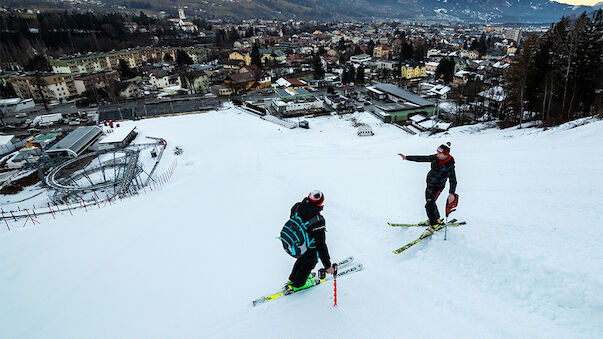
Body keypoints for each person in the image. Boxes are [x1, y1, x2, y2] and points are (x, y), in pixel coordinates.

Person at [398, 142, 457, 228]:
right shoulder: (435, 158)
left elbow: (453, 180)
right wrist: (407, 157)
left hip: (438, 187)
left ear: (445, 155)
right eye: (437, 152)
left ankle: (434, 224)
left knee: (429, 204)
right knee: (430, 203)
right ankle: (435, 219)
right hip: (429, 184)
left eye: (439, 153)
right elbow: (422, 158)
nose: (437, 155)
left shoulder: (449, 166)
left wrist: (451, 193)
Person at [287, 190, 336, 291]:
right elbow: (321, 245)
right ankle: (298, 284)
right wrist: (328, 266)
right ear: (320, 203)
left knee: (301, 258)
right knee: (309, 261)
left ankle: (293, 279)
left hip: (298, 242)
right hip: (309, 245)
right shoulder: (318, 220)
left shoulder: (297, 206)